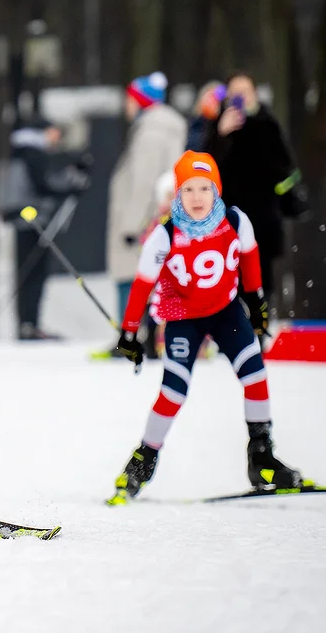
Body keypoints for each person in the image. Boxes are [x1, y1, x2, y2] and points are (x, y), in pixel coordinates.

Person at [108, 151, 302, 504]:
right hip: (182, 318)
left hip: (226, 311)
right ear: (177, 195)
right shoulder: (165, 234)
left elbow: (250, 258)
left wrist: (256, 301)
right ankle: (143, 460)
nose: (197, 198)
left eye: (204, 189)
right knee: (174, 391)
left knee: (255, 375)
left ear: (217, 191)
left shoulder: (235, 220)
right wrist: (129, 332)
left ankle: (261, 456)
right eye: (188, 190)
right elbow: (141, 285)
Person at [200, 73, 307, 300]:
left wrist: (291, 202)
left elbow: (284, 169)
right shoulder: (218, 125)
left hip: (262, 222)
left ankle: (259, 329)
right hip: (226, 222)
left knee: (259, 287)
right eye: (235, 93)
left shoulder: (267, 124)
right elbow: (203, 169)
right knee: (227, 286)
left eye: (245, 92)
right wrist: (221, 135)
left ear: (254, 95)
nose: (240, 98)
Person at [106, 72, 187, 329]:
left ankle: (131, 335)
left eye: (129, 99)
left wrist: (131, 226)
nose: (126, 105)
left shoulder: (150, 134)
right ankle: (149, 337)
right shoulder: (163, 129)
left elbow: (142, 183)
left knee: (132, 277)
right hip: (156, 217)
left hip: (142, 222)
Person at [2, 120, 90, 340]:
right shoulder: (33, 153)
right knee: (34, 272)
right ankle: (29, 324)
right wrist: (72, 184)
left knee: (28, 270)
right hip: (33, 221)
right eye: (54, 134)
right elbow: (45, 186)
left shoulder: (19, 151)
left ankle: (27, 323)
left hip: (24, 219)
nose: (56, 139)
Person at [185, 80, 225, 152]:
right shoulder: (192, 123)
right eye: (209, 97)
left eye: (216, 99)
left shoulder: (222, 127)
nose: (211, 102)